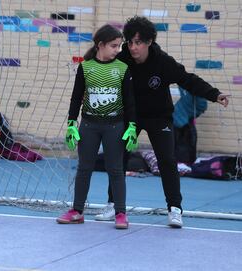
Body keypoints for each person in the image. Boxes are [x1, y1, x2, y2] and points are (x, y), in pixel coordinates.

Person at [95, 16, 230, 228]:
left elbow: (188, 79)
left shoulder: (163, 62)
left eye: (138, 42)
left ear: (149, 42)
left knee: (167, 159)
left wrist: (214, 94)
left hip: (159, 117)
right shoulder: (121, 60)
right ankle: (113, 205)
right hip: (131, 117)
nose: (133, 47)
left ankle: (175, 209)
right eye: (129, 42)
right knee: (118, 158)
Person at [56, 24, 137, 229]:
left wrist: (132, 126)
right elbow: (76, 97)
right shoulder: (85, 67)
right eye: (113, 46)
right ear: (100, 45)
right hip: (89, 125)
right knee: (84, 168)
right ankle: (77, 211)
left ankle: (120, 212)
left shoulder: (122, 69)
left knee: (115, 169)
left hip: (115, 126)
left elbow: (130, 101)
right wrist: (72, 123)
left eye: (119, 46)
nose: (117, 50)